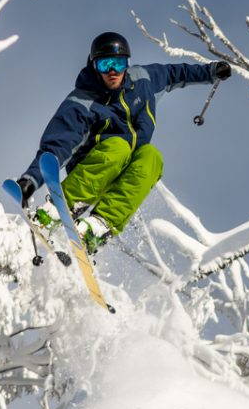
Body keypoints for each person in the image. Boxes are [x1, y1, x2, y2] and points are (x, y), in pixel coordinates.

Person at [16, 31, 231, 253]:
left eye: (118, 64)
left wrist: (211, 72)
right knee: (118, 146)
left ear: (127, 63)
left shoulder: (143, 79)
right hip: (91, 171)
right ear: (94, 66)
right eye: (105, 64)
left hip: (123, 173)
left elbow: (176, 73)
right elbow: (57, 145)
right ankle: (57, 210)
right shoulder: (82, 101)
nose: (112, 71)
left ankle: (97, 226)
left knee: (152, 157)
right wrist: (31, 179)